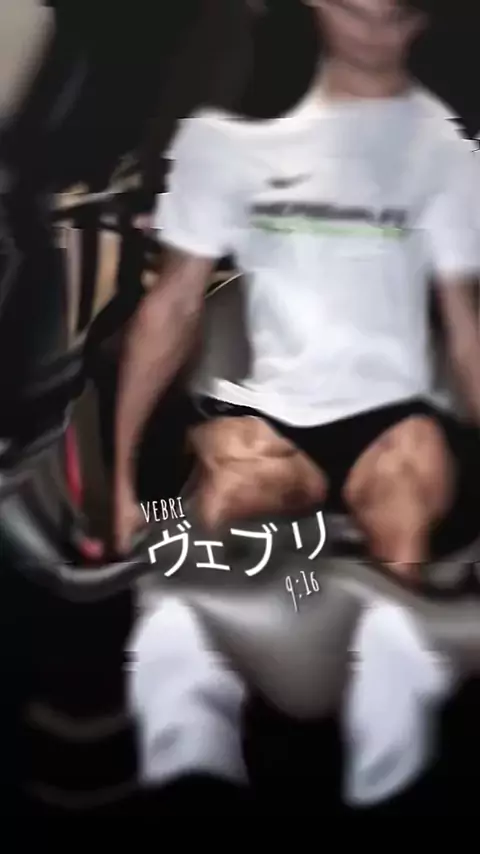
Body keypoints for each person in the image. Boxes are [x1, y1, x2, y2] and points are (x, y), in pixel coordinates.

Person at [115, 0, 480, 812]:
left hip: (391, 418)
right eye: (358, 11)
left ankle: (392, 747)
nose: (376, 32)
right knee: (220, 491)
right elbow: (170, 309)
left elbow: (466, 332)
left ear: (418, 25)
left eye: (395, 17)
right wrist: (122, 481)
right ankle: (187, 749)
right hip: (272, 413)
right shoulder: (226, 143)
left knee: (410, 473)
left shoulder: (447, 152)